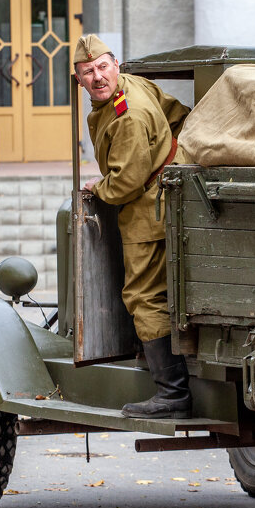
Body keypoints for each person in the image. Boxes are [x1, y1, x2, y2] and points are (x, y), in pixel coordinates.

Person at [74, 34, 192, 419]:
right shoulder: (133, 84)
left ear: (115, 64)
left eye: (102, 67)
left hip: (147, 210)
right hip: (163, 194)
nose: (98, 77)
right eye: (88, 71)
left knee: (143, 296)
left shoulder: (128, 114)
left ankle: (172, 395)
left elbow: (126, 181)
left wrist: (99, 187)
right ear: (79, 80)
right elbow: (178, 113)